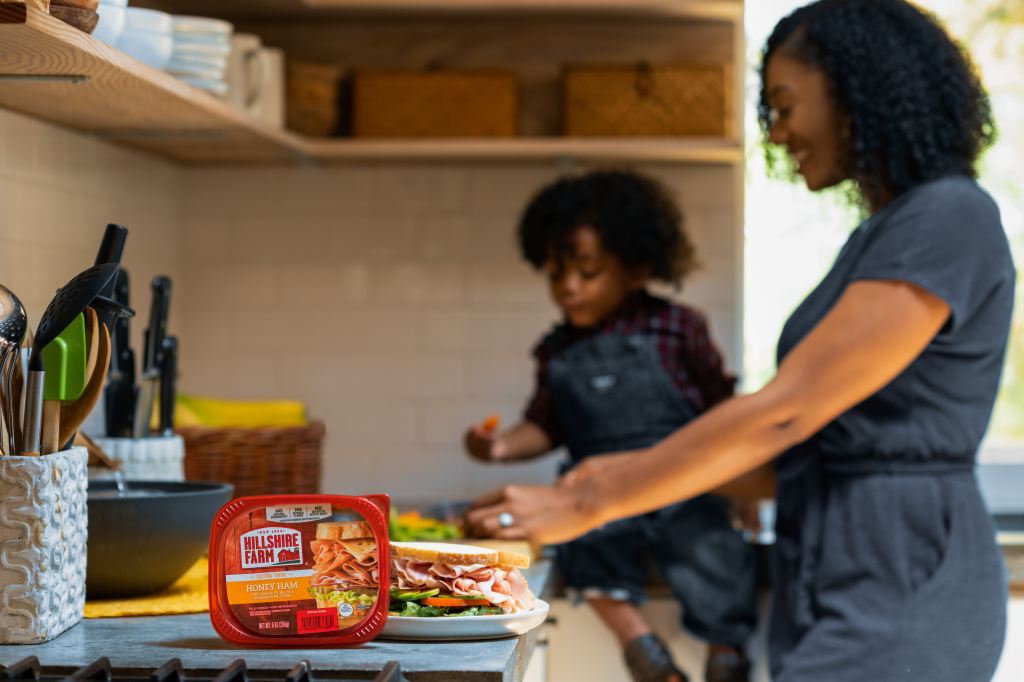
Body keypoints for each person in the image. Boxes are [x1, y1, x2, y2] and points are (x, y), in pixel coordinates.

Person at [467, 1, 1015, 681]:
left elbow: (786, 411)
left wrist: (584, 505)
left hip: (906, 579)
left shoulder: (949, 216)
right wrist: (607, 474)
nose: (778, 133)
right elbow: (809, 449)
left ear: (854, 88)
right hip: (833, 574)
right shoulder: (888, 232)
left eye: (785, 106)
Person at [464, 169, 758, 682]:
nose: (568, 288)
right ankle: (642, 650)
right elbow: (544, 425)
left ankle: (726, 653)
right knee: (584, 546)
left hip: (681, 485)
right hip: (593, 492)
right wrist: (499, 447)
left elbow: (721, 413)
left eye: (587, 271)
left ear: (637, 268)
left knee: (713, 546)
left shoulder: (678, 328)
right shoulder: (556, 348)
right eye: (556, 275)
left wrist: (743, 491)